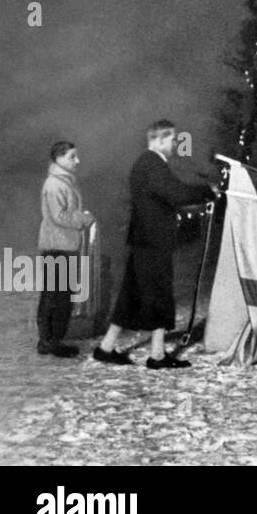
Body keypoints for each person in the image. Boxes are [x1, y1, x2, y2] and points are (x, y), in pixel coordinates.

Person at [93, 120, 217, 369]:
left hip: (143, 239)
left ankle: (106, 348)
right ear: (159, 140)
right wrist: (207, 191)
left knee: (130, 295)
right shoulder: (153, 165)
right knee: (159, 293)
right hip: (154, 241)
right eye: (171, 140)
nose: (174, 144)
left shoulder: (144, 164)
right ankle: (157, 355)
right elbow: (177, 193)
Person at [36, 141, 96, 358]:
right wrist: (84, 218)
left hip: (63, 244)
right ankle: (50, 342)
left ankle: (50, 340)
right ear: (59, 158)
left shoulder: (64, 181)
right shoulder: (55, 185)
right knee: (56, 296)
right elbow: (59, 216)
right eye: (72, 156)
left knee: (58, 295)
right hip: (57, 246)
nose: (77, 161)